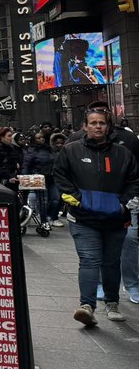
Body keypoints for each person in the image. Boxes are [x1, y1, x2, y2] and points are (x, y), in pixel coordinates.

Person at [54, 109, 139, 327]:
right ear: (85, 126)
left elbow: (134, 181)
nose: (98, 126)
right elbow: (61, 177)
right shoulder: (70, 150)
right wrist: (78, 200)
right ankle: (87, 306)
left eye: (102, 123)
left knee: (111, 262)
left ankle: (112, 303)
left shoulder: (122, 153)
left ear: (108, 127)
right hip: (83, 219)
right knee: (89, 260)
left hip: (115, 220)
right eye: (93, 123)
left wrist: (122, 204)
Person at [22, 131, 59, 233]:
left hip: (51, 177)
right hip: (38, 178)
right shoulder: (31, 151)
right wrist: (25, 177)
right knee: (42, 200)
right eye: (38, 138)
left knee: (55, 199)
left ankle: (49, 217)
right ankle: (44, 220)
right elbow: (26, 165)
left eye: (42, 137)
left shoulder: (49, 149)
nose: (41, 139)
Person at [0, 127, 22, 201]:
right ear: (2, 137)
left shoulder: (10, 148)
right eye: (9, 136)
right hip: (1, 183)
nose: (11, 138)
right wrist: (8, 178)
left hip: (10, 181)